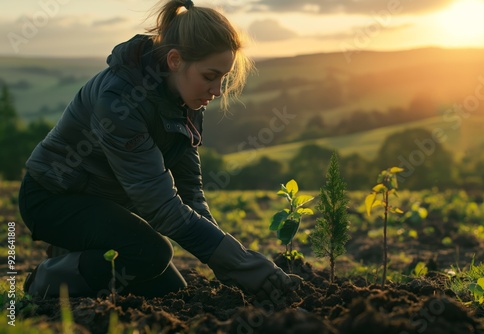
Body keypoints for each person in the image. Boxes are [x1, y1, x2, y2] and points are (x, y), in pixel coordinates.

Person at [18, 0, 295, 305]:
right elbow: (160, 206)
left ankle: (78, 258)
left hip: (103, 205)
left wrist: (232, 264)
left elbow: (190, 195)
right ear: (175, 60)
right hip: (53, 198)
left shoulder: (186, 102)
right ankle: (46, 278)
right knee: (150, 254)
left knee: (169, 290)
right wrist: (240, 263)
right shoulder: (119, 100)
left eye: (223, 78)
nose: (217, 90)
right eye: (209, 76)